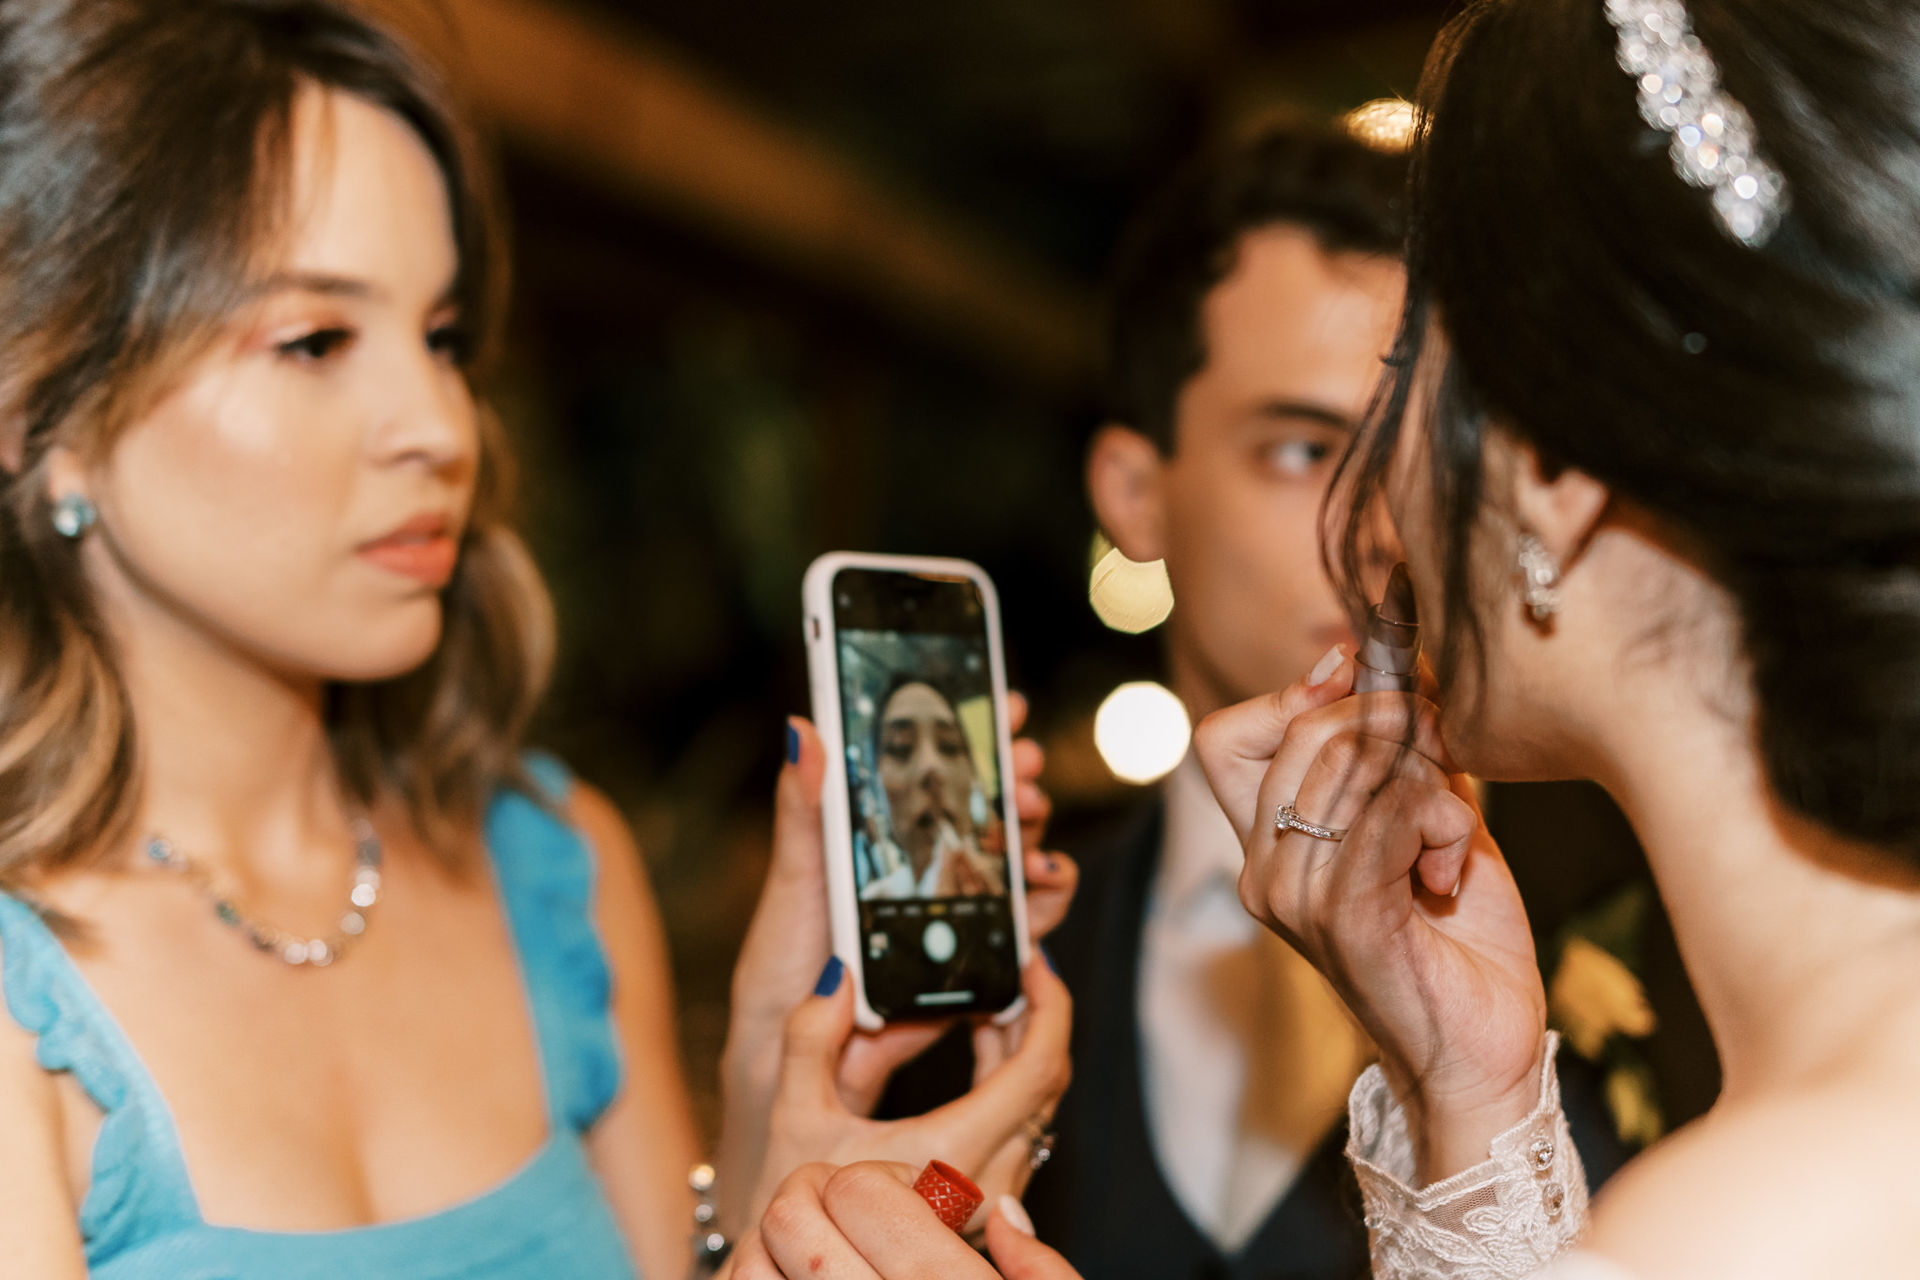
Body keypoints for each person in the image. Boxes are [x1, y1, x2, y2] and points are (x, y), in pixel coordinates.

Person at [743, 0, 1920, 1275]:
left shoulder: (1762, 1220)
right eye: (1301, 444)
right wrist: (1470, 1093)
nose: (1364, 517)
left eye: (1414, 363)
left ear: (1553, 463)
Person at [0, 4, 1075, 1277]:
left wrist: (775, 1130)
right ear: (38, 408)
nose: (440, 425)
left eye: (443, 338)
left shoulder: (552, 860)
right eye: (315, 338)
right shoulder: (30, 991)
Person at [888, 116, 1683, 1280]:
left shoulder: (1664, 909)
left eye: (1422, 452)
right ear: (1134, 492)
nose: (1380, 528)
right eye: (1305, 451)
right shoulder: (989, 964)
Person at [861, 678, 1008, 901]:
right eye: (900, 747)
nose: (931, 766)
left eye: (949, 745)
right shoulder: (872, 904)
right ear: (875, 788)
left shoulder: (1009, 893)